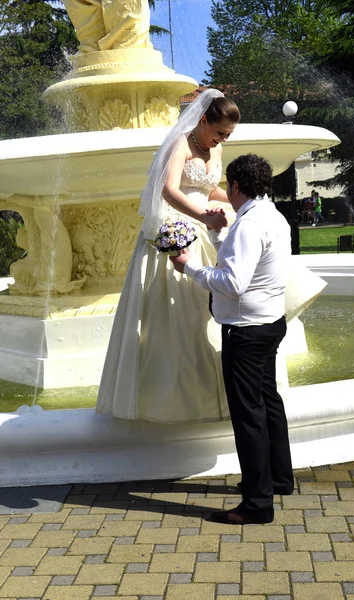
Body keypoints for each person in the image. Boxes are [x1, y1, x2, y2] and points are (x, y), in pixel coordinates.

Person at [96, 88, 240, 422]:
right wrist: (203, 216)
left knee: (212, 309)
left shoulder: (215, 148)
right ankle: (171, 400)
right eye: (219, 132)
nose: (222, 140)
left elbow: (207, 187)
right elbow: (169, 190)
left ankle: (216, 391)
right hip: (176, 231)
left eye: (228, 135)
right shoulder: (180, 144)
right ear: (202, 120)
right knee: (179, 315)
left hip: (206, 227)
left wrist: (237, 200)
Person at [171, 154, 294, 525]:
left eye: (227, 186)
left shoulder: (249, 225)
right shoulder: (271, 216)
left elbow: (233, 282)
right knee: (268, 401)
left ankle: (257, 505)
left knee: (249, 415)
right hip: (271, 322)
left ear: (236, 186)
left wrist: (189, 267)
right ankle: (278, 479)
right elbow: (245, 262)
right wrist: (216, 233)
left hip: (246, 331)